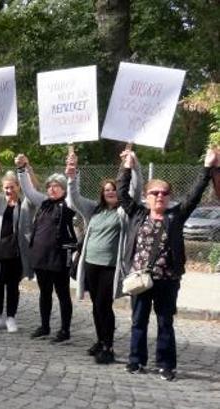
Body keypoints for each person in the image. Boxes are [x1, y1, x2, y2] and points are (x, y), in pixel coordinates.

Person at [119, 147, 218, 381]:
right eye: (154, 193)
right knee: (138, 322)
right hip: (141, 280)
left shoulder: (175, 216)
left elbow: (194, 195)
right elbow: (123, 193)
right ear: (147, 196)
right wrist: (127, 168)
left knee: (165, 324)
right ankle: (136, 360)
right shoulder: (138, 213)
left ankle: (166, 365)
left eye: (164, 193)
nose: (160, 196)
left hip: (167, 280)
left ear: (169, 196)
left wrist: (207, 166)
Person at [65, 148, 142, 364]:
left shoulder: (124, 212)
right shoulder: (94, 210)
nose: (110, 192)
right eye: (107, 189)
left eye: (114, 189)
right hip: (90, 265)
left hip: (110, 267)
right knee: (96, 306)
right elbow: (74, 200)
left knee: (104, 306)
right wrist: (72, 177)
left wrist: (133, 166)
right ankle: (99, 341)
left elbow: (135, 191)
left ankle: (108, 346)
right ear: (102, 193)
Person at [16, 154, 77, 343]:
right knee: (44, 294)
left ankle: (65, 330)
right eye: (49, 186)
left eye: (56, 186)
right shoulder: (44, 203)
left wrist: (73, 174)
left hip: (59, 258)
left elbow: (74, 193)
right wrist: (21, 169)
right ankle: (44, 326)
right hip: (41, 258)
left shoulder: (68, 204)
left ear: (63, 189)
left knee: (63, 294)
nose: (51, 189)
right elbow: (28, 190)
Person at [0, 167, 35, 334]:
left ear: (18, 187)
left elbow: (34, 190)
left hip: (16, 252)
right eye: (6, 187)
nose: (9, 190)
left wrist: (28, 170)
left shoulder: (24, 204)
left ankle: (11, 318)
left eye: (12, 187)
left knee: (12, 286)